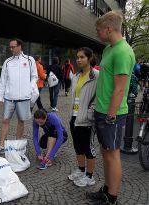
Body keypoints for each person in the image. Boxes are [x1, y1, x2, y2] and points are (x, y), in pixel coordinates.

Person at [86, 11, 135, 205]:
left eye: (98, 30)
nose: (97, 33)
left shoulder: (123, 51)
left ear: (108, 29)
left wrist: (111, 116)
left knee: (113, 154)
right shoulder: (108, 49)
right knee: (106, 150)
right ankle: (106, 189)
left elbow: (120, 88)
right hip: (102, 110)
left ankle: (112, 197)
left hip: (111, 113)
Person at [0, 38, 38, 157]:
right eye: (10, 47)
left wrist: (29, 88)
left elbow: (34, 77)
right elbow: (3, 80)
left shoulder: (29, 60)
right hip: (9, 97)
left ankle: (17, 146)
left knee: (21, 121)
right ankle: (1, 146)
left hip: (24, 97)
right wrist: (0, 97)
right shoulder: (7, 62)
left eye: (13, 47)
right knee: (5, 120)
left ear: (20, 46)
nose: (11, 49)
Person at [68, 47, 99, 187]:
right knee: (78, 146)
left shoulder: (97, 75)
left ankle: (90, 176)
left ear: (89, 58)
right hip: (74, 117)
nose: (79, 60)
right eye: (77, 57)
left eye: (82, 57)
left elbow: (100, 96)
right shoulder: (76, 76)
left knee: (88, 148)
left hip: (87, 118)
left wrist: (91, 112)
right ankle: (81, 171)